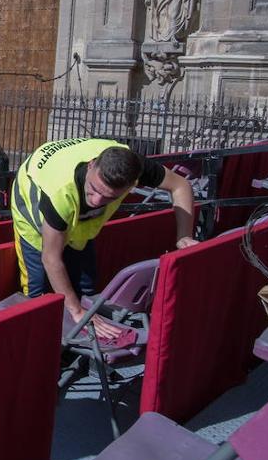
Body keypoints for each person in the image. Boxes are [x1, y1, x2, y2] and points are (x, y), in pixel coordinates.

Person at [11, 138, 196, 339]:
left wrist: (184, 236)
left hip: (76, 211)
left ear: (133, 183)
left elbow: (180, 185)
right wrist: (77, 311)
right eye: (94, 189)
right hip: (33, 196)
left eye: (110, 197)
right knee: (38, 291)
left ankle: (78, 336)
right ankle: (37, 339)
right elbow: (51, 258)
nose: (97, 201)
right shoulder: (58, 192)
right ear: (91, 165)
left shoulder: (133, 166)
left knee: (86, 286)